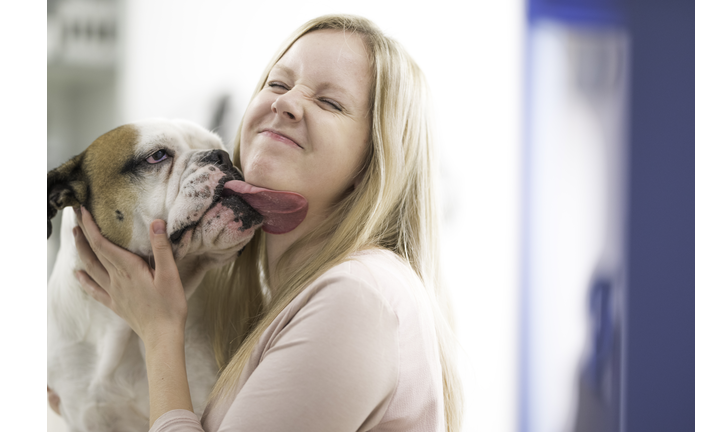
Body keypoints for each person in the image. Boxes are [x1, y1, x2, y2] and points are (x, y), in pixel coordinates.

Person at [68, 14, 463, 432]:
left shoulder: (357, 298)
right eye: (277, 83)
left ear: (374, 163)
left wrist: (159, 332)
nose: (285, 102)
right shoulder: (305, 296)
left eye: (329, 102)